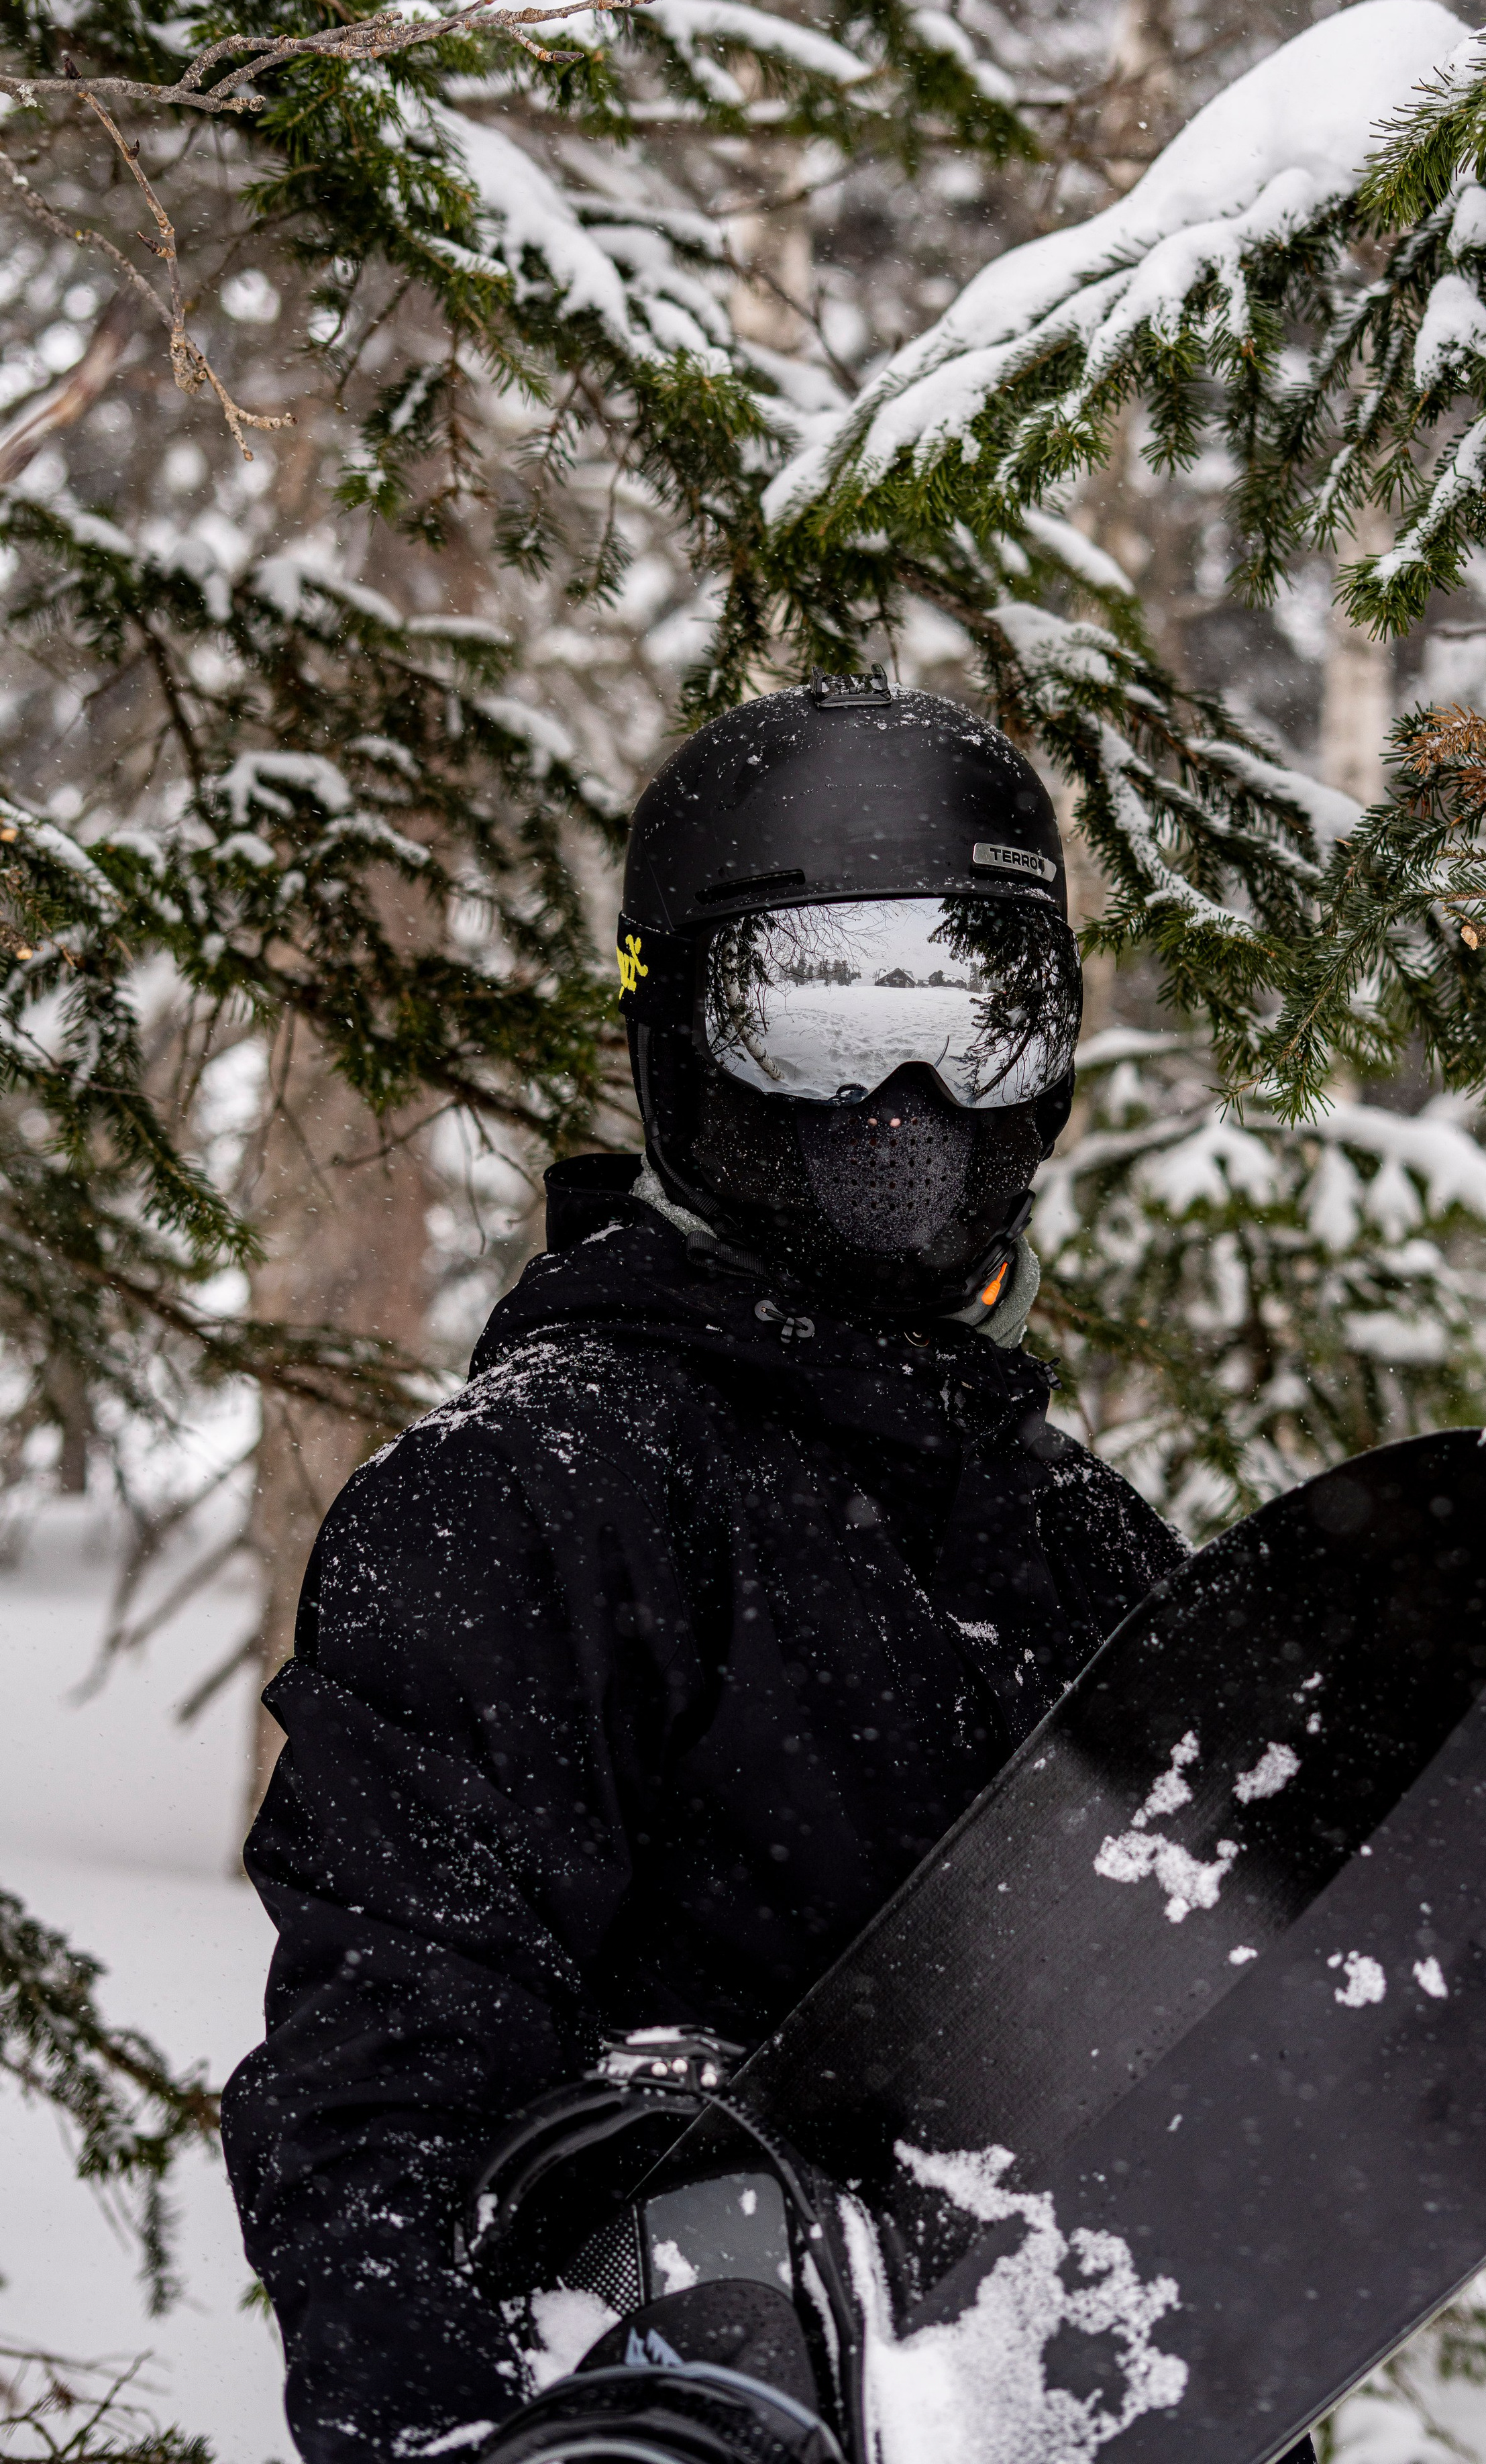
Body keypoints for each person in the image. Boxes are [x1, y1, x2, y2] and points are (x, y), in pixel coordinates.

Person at [221, 672, 1199, 2463]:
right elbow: (381, 2098)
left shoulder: (1087, 1540)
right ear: (677, 1036)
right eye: (814, 1021)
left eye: (978, 1021)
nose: (904, 1101)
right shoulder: (532, 1497)